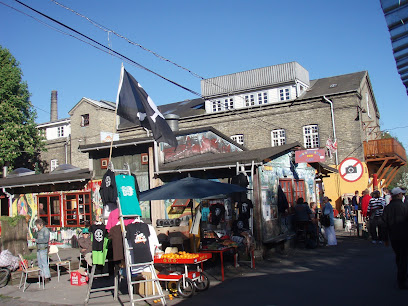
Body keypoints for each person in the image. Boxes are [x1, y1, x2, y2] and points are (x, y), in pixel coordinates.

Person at [382, 187, 408, 289]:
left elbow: (383, 224)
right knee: (404, 257)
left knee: (398, 255)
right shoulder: (404, 207)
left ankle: (401, 274)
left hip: (393, 236)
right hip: (405, 235)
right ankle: (402, 278)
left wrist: (385, 238)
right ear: (399, 195)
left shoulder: (387, 208)